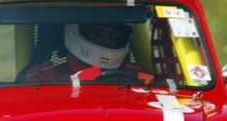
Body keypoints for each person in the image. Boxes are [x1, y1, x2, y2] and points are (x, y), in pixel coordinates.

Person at [22, 22, 153, 84]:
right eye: (99, 33)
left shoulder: (135, 74)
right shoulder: (45, 75)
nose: (105, 40)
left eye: (113, 36)